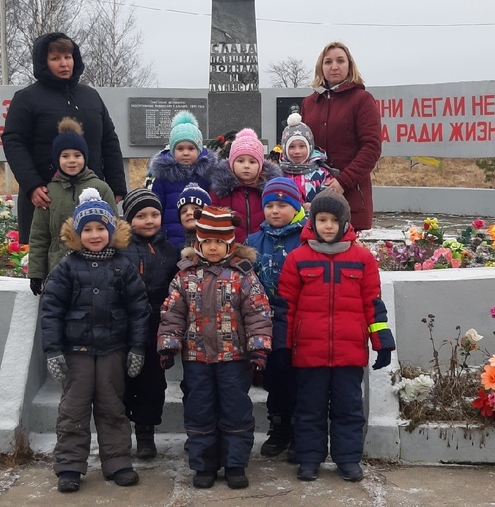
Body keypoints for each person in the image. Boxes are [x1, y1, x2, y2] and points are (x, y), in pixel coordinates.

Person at [280, 190, 396, 483]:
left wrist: (381, 341)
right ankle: (309, 459)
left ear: (345, 223)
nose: (328, 226)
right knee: (309, 410)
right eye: (322, 219)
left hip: (349, 354)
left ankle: (347, 459)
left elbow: (373, 304)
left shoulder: (362, 259)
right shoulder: (298, 258)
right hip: (309, 353)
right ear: (313, 221)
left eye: (334, 220)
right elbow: (286, 307)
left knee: (349, 410)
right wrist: (283, 346)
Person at [40, 188, 150, 493]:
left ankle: (117, 461)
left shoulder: (123, 266)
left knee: (112, 406)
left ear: (111, 231)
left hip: (113, 350)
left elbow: (139, 309)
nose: (94, 234)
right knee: (73, 409)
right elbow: (51, 311)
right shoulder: (66, 267)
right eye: (87, 229)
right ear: (77, 233)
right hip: (77, 352)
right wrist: (53, 351)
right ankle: (70, 465)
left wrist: (137, 347)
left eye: (101, 228)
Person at [158, 206, 273, 490]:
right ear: (198, 243)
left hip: (234, 358)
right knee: (200, 410)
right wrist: (169, 344)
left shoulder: (242, 276)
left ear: (229, 245)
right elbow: (172, 312)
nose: (212, 247)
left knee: (235, 409)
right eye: (207, 242)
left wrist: (258, 348)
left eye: (218, 242)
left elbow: (258, 312)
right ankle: (204, 464)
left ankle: (235, 463)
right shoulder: (185, 276)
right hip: (197, 358)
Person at [2, 32, 128, 238]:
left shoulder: (91, 96)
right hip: (46, 199)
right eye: (55, 58)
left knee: (95, 258)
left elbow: (109, 140)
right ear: (43, 62)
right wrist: (32, 185)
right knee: (48, 262)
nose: (64, 64)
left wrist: (116, 186)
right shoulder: (26, 99)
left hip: (92, 195)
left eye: (68, 57)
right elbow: (14, 143)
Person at [244, 176, 307, 461]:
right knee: (275, 375)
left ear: (295, 207)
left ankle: (298, 432)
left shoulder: (307, 238)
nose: (275, 211)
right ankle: (278, 427)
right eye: (270, 205)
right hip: (265, 319)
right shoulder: (254, 241)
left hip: (299, 316)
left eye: (283, 204)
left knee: (297, 377)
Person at [119, 188, 181, 459]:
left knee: (152, 384)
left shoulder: (169, 250)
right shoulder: (118, 248)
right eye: (141, 215)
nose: (149, 220)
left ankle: (146, 434)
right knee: (121, 383)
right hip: (123, 328)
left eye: (154, 214)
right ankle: (119, 436)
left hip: (156, 326)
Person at [299, 42, 382, 231]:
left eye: (340, 61)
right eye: (328, 62)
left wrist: (343, 182)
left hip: (352, 196)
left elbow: (371, 147)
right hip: (314, 199)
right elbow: (303, 147)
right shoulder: (309, 103)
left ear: (349, 65)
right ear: (321, 67)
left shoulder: (362, 100)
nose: (334, 66)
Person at [28, 118, 117, 294]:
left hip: (97, 267)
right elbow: (39, 236)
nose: (72, 161)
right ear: (57, 158)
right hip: (58, 268)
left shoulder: (101, 188)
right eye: (65, 156)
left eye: (77, 155)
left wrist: (117, 266)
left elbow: (115, 230)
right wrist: (36, 273)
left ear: (85, 157)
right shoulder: (49, 192)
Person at [150, 111, 217, 248]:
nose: (185, 153)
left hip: (202, 242)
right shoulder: (163, 178)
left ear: (198, 150)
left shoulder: (207, 176)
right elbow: (157, 208)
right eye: (180, 148)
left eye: (191, 148)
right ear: (172, 150)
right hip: (170, 242)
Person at [208, 128, 282, 244]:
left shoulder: (270, 190)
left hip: (264, 248)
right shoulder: (220, 190)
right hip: (230, 249)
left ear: (260, 165)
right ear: (232, 163)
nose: (246, 166)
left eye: (252, 162)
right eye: (240, 161)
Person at [278, 112, 337, 204]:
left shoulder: (322, 174)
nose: (297, 151)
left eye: (302, 146)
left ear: (310, 147)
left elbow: (330, 200)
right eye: (292, 147)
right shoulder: (278, 174)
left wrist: (314, 207)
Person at [173, 182, 212, 253]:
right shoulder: (178, 249)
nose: (189, 213)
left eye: (196, 209)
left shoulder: (216, 245)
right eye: (184, 211)